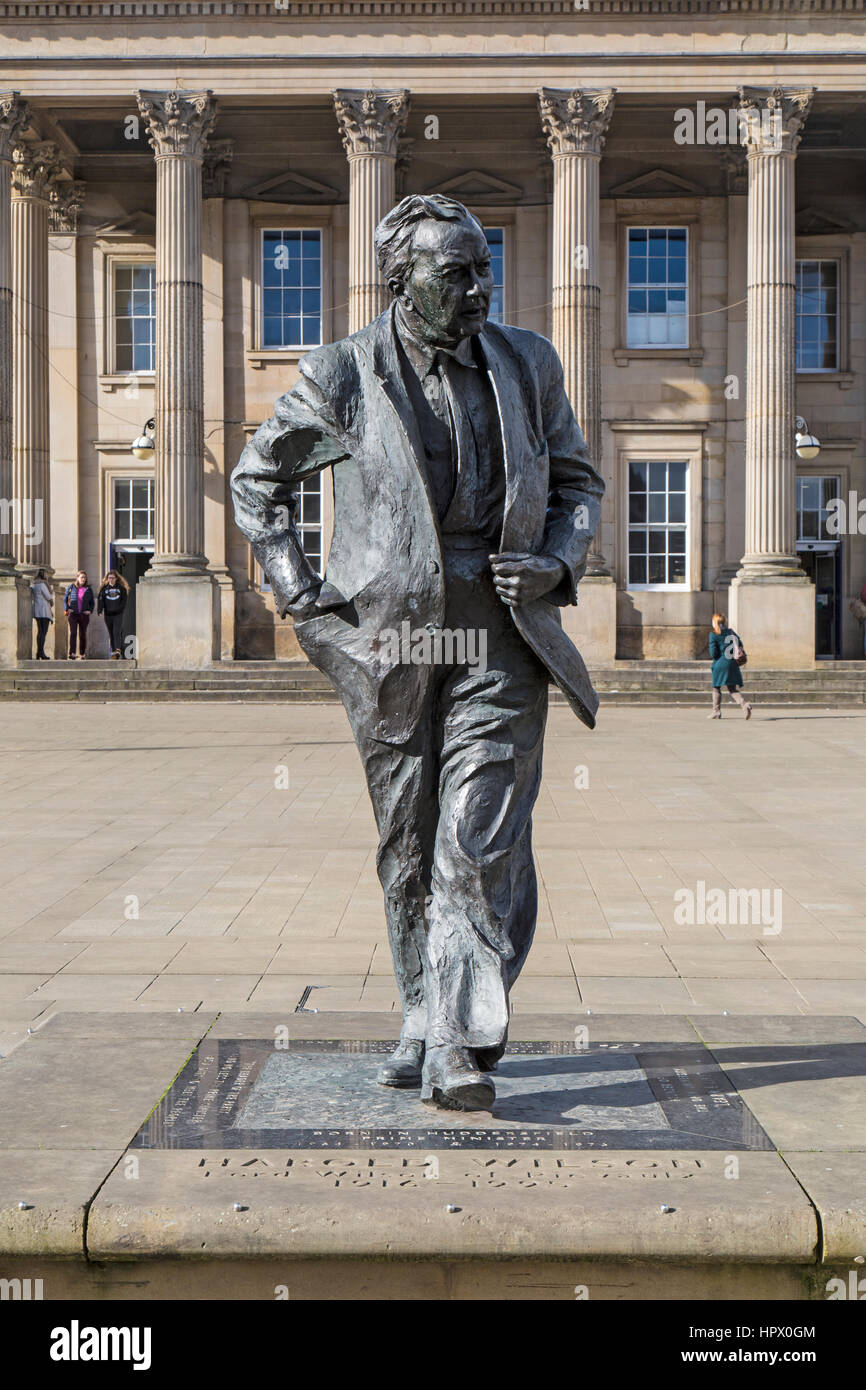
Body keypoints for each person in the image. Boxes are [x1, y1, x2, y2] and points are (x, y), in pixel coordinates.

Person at [232, 194, 603, 1112]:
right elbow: (257, 481)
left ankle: (454, 1042)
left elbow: (578, 482)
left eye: (486, 271)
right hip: (392, 640)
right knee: (407, 844)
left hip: (504, 632)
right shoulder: (345, 373)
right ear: (402, 283)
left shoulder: (529, 363)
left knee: (473, 841)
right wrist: (298, 588)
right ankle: (418, 1008)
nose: (480, 290)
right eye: (458, 275)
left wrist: (557, 560)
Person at [709, 612, 752, 719]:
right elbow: (740, 645)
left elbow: (713, 653)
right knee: (732, 688)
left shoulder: (713, 634)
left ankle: (716, 711)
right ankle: (744, 705)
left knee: (716, 687)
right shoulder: (731, 632)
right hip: (732, 663)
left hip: (720, 664)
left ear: (715, 622)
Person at [97, 570, 129, 659]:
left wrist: (120, 609)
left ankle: (118, 649)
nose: (111, 579)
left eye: (113, 578)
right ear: (107, 579)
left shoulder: (121, 589)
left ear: (116, 579)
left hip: (118, 614)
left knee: (116, 631)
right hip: (108, 614)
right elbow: (101, 601)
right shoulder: (104, 589)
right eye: (109, 578)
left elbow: (124, 601)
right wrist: (99, 610)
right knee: (111, 633)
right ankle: (114, 651)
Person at [64, 569, 95, 660]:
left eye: (85, 577)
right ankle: (72, 653)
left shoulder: (88, 589)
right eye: (82, 577)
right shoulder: (71, 587)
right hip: (73, 614)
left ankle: (82, 654)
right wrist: (67, 608)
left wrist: (90, 610)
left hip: (84, 615)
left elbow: (92, 603)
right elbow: (65, 599)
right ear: (77, 578)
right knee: (73, 633)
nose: (83, 579)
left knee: (83, 634)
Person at [30, 568, 53, 660]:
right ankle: (40, 652)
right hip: (44, 611)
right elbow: (48, 596)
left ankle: (39, 652)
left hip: (37, 610)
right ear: (44, 575)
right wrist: (51, 592)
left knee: (40, 632)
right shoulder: (43, 584)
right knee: (43, 632)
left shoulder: (34, 584)